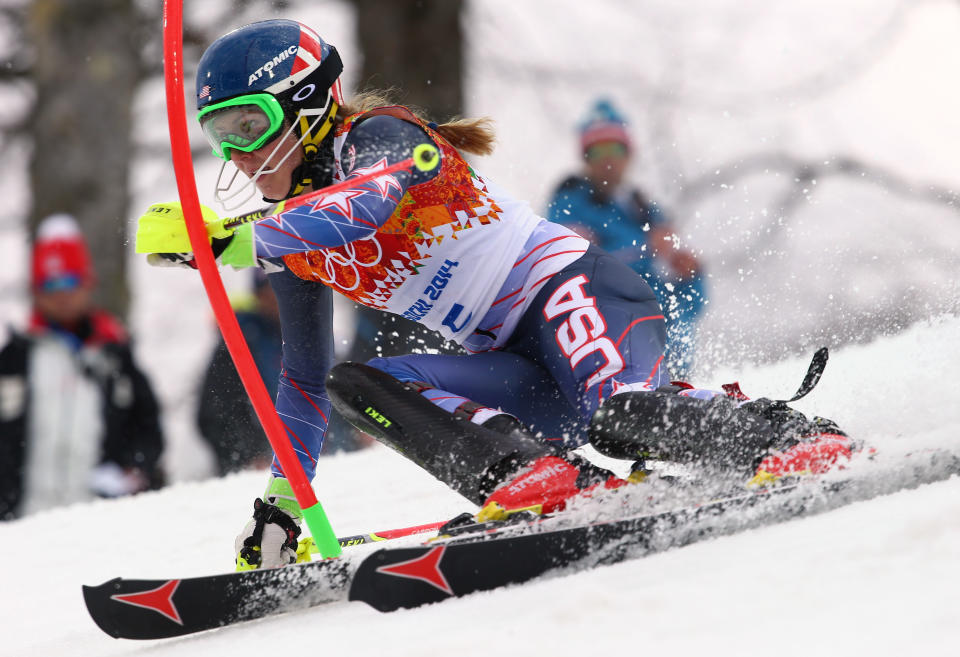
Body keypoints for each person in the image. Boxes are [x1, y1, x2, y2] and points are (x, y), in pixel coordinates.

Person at [135, 19, 857, 569]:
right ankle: (535, 475)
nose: (237, 154)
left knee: (624, 414)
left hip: (574, 294)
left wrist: (240, 235)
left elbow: (371, 203)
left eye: (249, 124)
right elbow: (299, 380)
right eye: (219, 135)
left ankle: (791, 436)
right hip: (513, 365)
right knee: (359, 380)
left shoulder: (378, 139)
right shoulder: (291, 242)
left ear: (306, 106)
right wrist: (284, 504)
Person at [0, 214, 164, 520]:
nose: (62, 294)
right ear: (37, 290)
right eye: (51, 284)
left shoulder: (114, 353)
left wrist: (132, 468)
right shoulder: (14, 357)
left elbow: (148, 426)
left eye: (70, 281)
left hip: (96, 520)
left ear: (87, 283)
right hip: (20, 520)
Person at [547, 99, 707, 377]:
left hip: (671, 368)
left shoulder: (645, 209)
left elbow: (692, 306)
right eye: (598, 151)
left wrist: (690, 274)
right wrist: (647, 249)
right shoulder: (569, 204)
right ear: (586, 158)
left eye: (616, 148)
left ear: (629, 154)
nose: (608, 158)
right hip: (608, 361)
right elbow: (573, 271)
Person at [197, 269, 369, 475]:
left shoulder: (316, 335)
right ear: (258, 295)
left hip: (335, 459)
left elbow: (337, 391)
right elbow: (217, 410)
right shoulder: (241, 342)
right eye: (273, 289)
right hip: (266, 468)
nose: (285, 296)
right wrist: (250, 455)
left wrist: (360, 428)